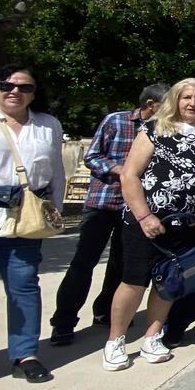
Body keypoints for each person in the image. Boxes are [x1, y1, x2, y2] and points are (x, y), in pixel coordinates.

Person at [103, 78, 195, 371]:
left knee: (168, 282)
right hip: (145, 221)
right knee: (133, 281)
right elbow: (130, 175)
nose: (193, 103)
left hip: (186, 224)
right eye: (186, 97)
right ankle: (115, 341)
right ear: (176, 100)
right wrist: (145, 216)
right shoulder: (154, 129)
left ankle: (151, 336)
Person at [50, 83, 167, 346]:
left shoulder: (164, 130)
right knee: (84, 263)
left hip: (135, 207)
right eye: (165, 104)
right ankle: (64, 322)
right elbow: (92, 157)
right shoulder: (117, 121)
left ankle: (104, 312)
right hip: (105, 202)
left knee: (120, 265)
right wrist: (124, 171)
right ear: (150, 104)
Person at [0, 65, 65, 383]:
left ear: (34, 93)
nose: (15, 91)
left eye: (24, 87)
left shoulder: (47, 124)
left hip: (25, 220)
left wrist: (54, 210)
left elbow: (55, 171)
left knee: (24, 286)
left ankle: (26, 354)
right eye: (6, 85)